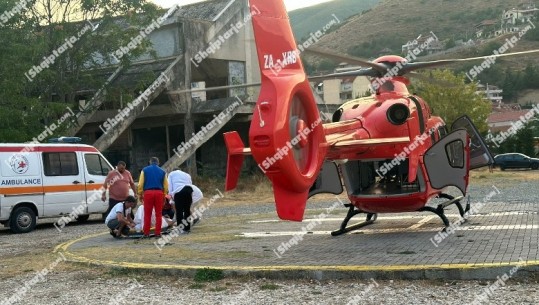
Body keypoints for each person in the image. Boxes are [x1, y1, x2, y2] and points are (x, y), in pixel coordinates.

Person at [137, 157, 168, 238]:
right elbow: (166, 185)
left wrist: (140, 193)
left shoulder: (144, 170)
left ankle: (146, 233)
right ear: (158, 163)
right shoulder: (163, 171)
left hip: (148, 193)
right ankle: (158, 233)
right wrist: (164, 195)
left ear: (150, 162)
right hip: (159, 193)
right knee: (159, 214)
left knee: (147, 214)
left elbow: (140, 183)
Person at [168, 165, 203, 232]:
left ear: (173, 170)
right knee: (187, 210)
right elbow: (190, 184)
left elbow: (170, 186)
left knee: (179, 211)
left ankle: (180, 228)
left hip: (179, 191)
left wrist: (171, 195)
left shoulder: (171, 174)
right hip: (188, 190)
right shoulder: (187, 174)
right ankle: (187, 229)